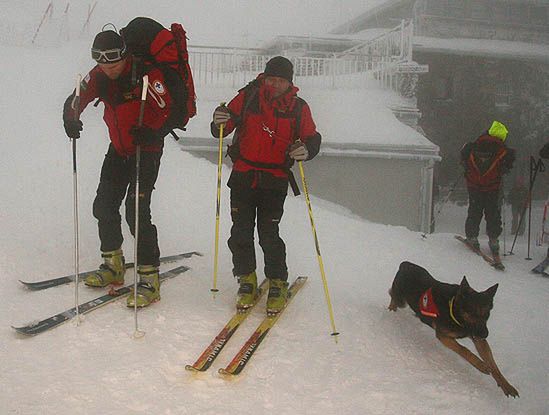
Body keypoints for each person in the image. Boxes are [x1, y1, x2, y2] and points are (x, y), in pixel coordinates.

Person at [62, 29, 186, 307]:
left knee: (136, 211)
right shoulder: (99, 75)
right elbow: (75, 100)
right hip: (118, 150)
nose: (109, 69)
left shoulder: (146, 75)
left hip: (147, 150)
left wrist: (155, 132)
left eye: (114, 63)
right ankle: (113, 263)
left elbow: (173, 110)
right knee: (104, 205)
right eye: (103, 64)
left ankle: (149, 278)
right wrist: (70, 119)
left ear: (124, 56)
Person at [210, 56, 321, 314]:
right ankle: (246, 279)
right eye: (271, 79)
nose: (274, 84)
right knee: (240, 231)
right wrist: (219, 120)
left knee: (268, 234)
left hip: (275, 179)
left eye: (281, 80)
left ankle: (277, 282)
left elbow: (311, 137)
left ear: (289, 82)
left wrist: (307, 149)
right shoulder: (249, 96)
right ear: (264, 77)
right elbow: (223, 128)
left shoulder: (298, 107)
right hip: (243, 175)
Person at [460, 121, 515, 259]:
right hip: (493, 187)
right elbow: (507, 167)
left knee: (474, 210)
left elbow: (463, 160)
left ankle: (472, 236)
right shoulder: (503, 150)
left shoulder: (472, 146)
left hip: (474, 186)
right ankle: (493, 240)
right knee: (493, 213)